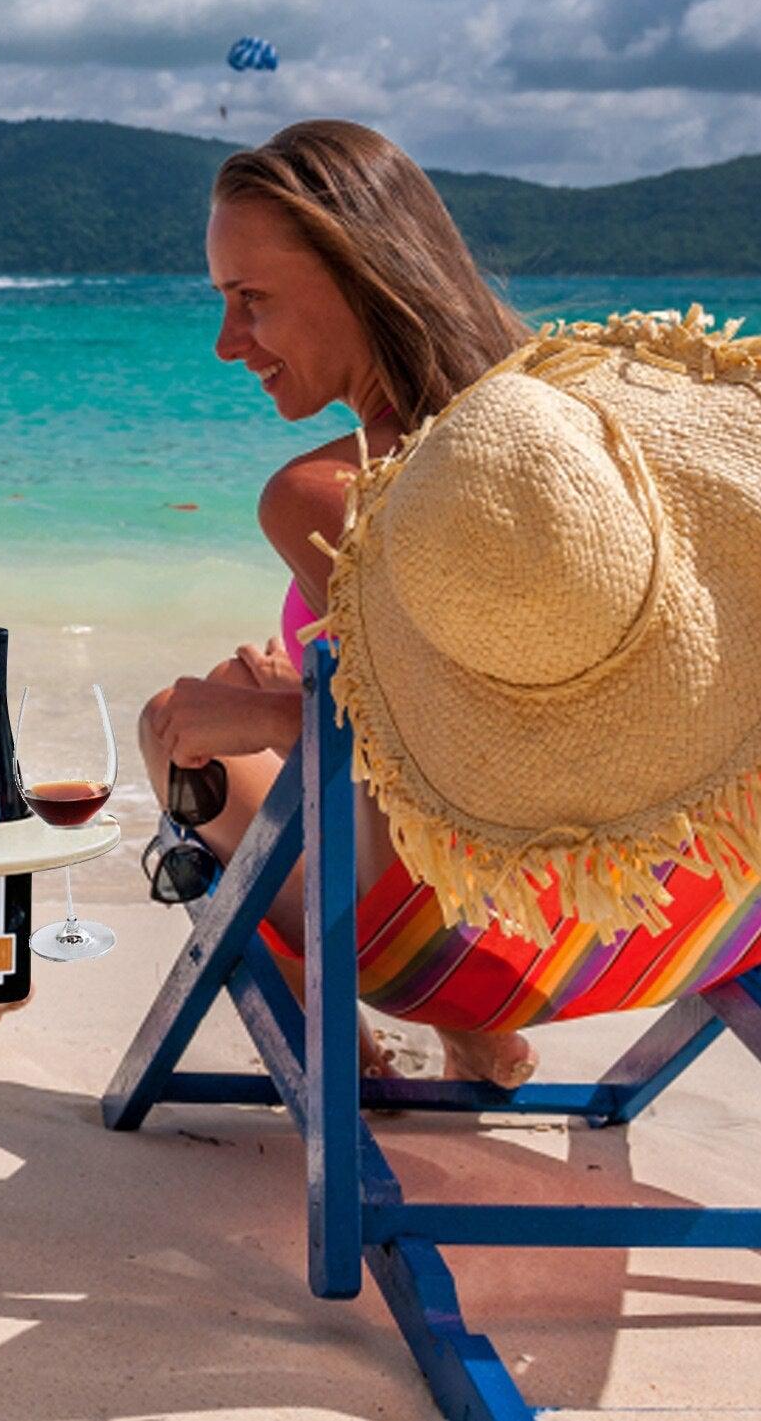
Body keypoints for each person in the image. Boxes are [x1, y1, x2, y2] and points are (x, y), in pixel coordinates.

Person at [139, 119, 539, 1087]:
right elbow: (539, 729)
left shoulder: (328, 494)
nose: (227, 342)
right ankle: (474, 1045)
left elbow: (463, 760)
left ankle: (352, 1067)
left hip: (446, 949)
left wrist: (266, 714)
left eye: (250, 300)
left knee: (171, 721)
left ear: (361, 276)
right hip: (607, 929)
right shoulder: (542, 441)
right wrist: (310, 698)